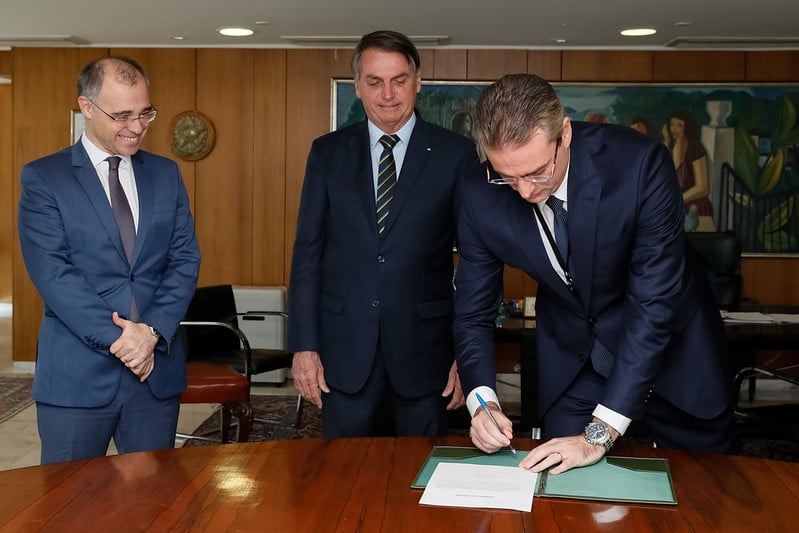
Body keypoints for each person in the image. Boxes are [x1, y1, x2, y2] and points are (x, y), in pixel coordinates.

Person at [454, 74, 737, 474]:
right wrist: (483, 403)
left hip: (673, 357)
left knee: (703, 491)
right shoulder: (478, 192)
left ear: (564, 134)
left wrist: (599, 435)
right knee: (559, 493)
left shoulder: (639, 165)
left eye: (536, 173)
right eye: (507, 176)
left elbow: (653, 306)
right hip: (577, 360)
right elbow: (472, 310)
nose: (523, 192)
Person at [287, 30, 481, 437]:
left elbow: (477, 260)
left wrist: (468, 356)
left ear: (418, 82)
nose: (387, 93)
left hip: (427, 356)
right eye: (374, 81)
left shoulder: (455, 154)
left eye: (399, 80)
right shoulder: (327, 153)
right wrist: (304, 347)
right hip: (344, 355)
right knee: (343, 479)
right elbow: (308, 254)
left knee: (419, 483)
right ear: (358, 86)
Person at [18, 56, 201, 464]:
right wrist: (124, 340)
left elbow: (185, 259)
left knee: (153, 506)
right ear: (86, 107)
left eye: (144, 113)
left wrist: (151, 332)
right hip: (77, 378)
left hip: (154, 375)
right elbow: (53, 273)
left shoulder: (165, 173)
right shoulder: (44, 178)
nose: (136, 127)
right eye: (122, 115)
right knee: (68, 508)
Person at [668, 110, 715, 231]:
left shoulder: (695, 148)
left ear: (687, 128)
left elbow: (703, 188)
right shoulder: (670, 148)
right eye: (672, 124)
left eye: (679, 125)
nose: (673, 129)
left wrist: (678, 199)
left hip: (695, 204)